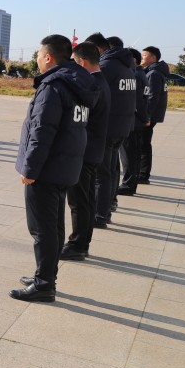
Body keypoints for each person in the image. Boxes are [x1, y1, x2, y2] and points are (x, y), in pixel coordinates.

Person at [11, 34, 97, 302]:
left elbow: (42, 131)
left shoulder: (53, 86)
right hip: (65, 166)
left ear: (48, 58)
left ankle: (44, 285)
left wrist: (30, 169)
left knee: (42, 229)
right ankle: (45, 274)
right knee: (54, 226)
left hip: (47, 169)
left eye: (38, 55)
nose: (37, 59)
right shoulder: (78, 82)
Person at [63, 42, 110, 260]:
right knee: (87, 200)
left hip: (84, 150)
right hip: (93, 149)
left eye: (74, 62)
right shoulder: (101, 81)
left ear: (81, 62)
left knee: (79, 201)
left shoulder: (91, 85)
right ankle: (83, 241)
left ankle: (78, 245)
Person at [86, 33, 136, 226]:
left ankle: (100, 215)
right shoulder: (126, 66)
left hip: (107, 128)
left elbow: (93, 93)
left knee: (102, 174)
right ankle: (108, 205)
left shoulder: (106, 66)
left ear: (98, 49)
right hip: (121, 126)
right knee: (112, 170)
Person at [117, 48, 148, 196]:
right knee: (133, 155)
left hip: (133, 121)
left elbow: (138, 101)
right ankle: (131, 184)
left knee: (128, 156)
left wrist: (144, 117)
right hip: (137, 121)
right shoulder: (141, 74)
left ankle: (128, 185)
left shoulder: (134, 76)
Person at [140, 46, 169, 184]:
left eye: (144, 55)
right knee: (144, 143)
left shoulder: (154, 74)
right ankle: (142, 173)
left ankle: (143, 174)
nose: (142, 58)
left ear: (153, 58)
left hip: (149, 116)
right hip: (151, 115)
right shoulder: (155, 71)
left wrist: (147, 116)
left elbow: (152, 97)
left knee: (143, 144)